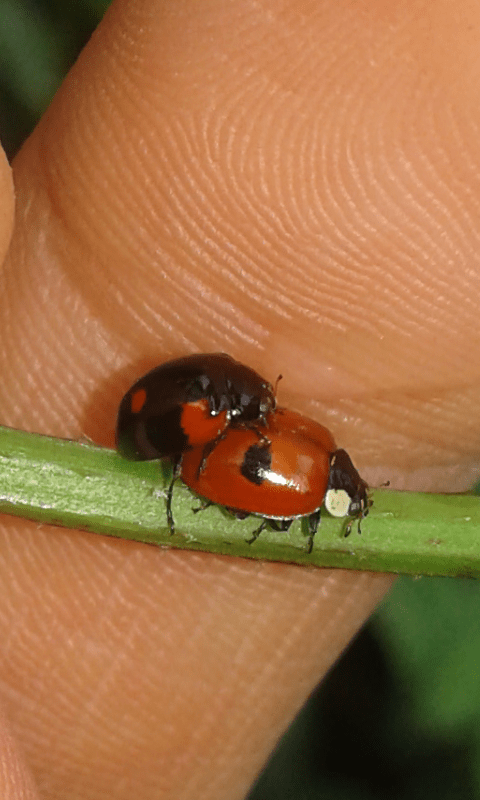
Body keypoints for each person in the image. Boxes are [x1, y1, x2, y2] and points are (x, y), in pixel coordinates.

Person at [0, 1, 477, 797]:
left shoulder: (282, 441)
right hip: (165, 433)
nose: (265, 414)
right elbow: (202, 438)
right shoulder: (270, 442)